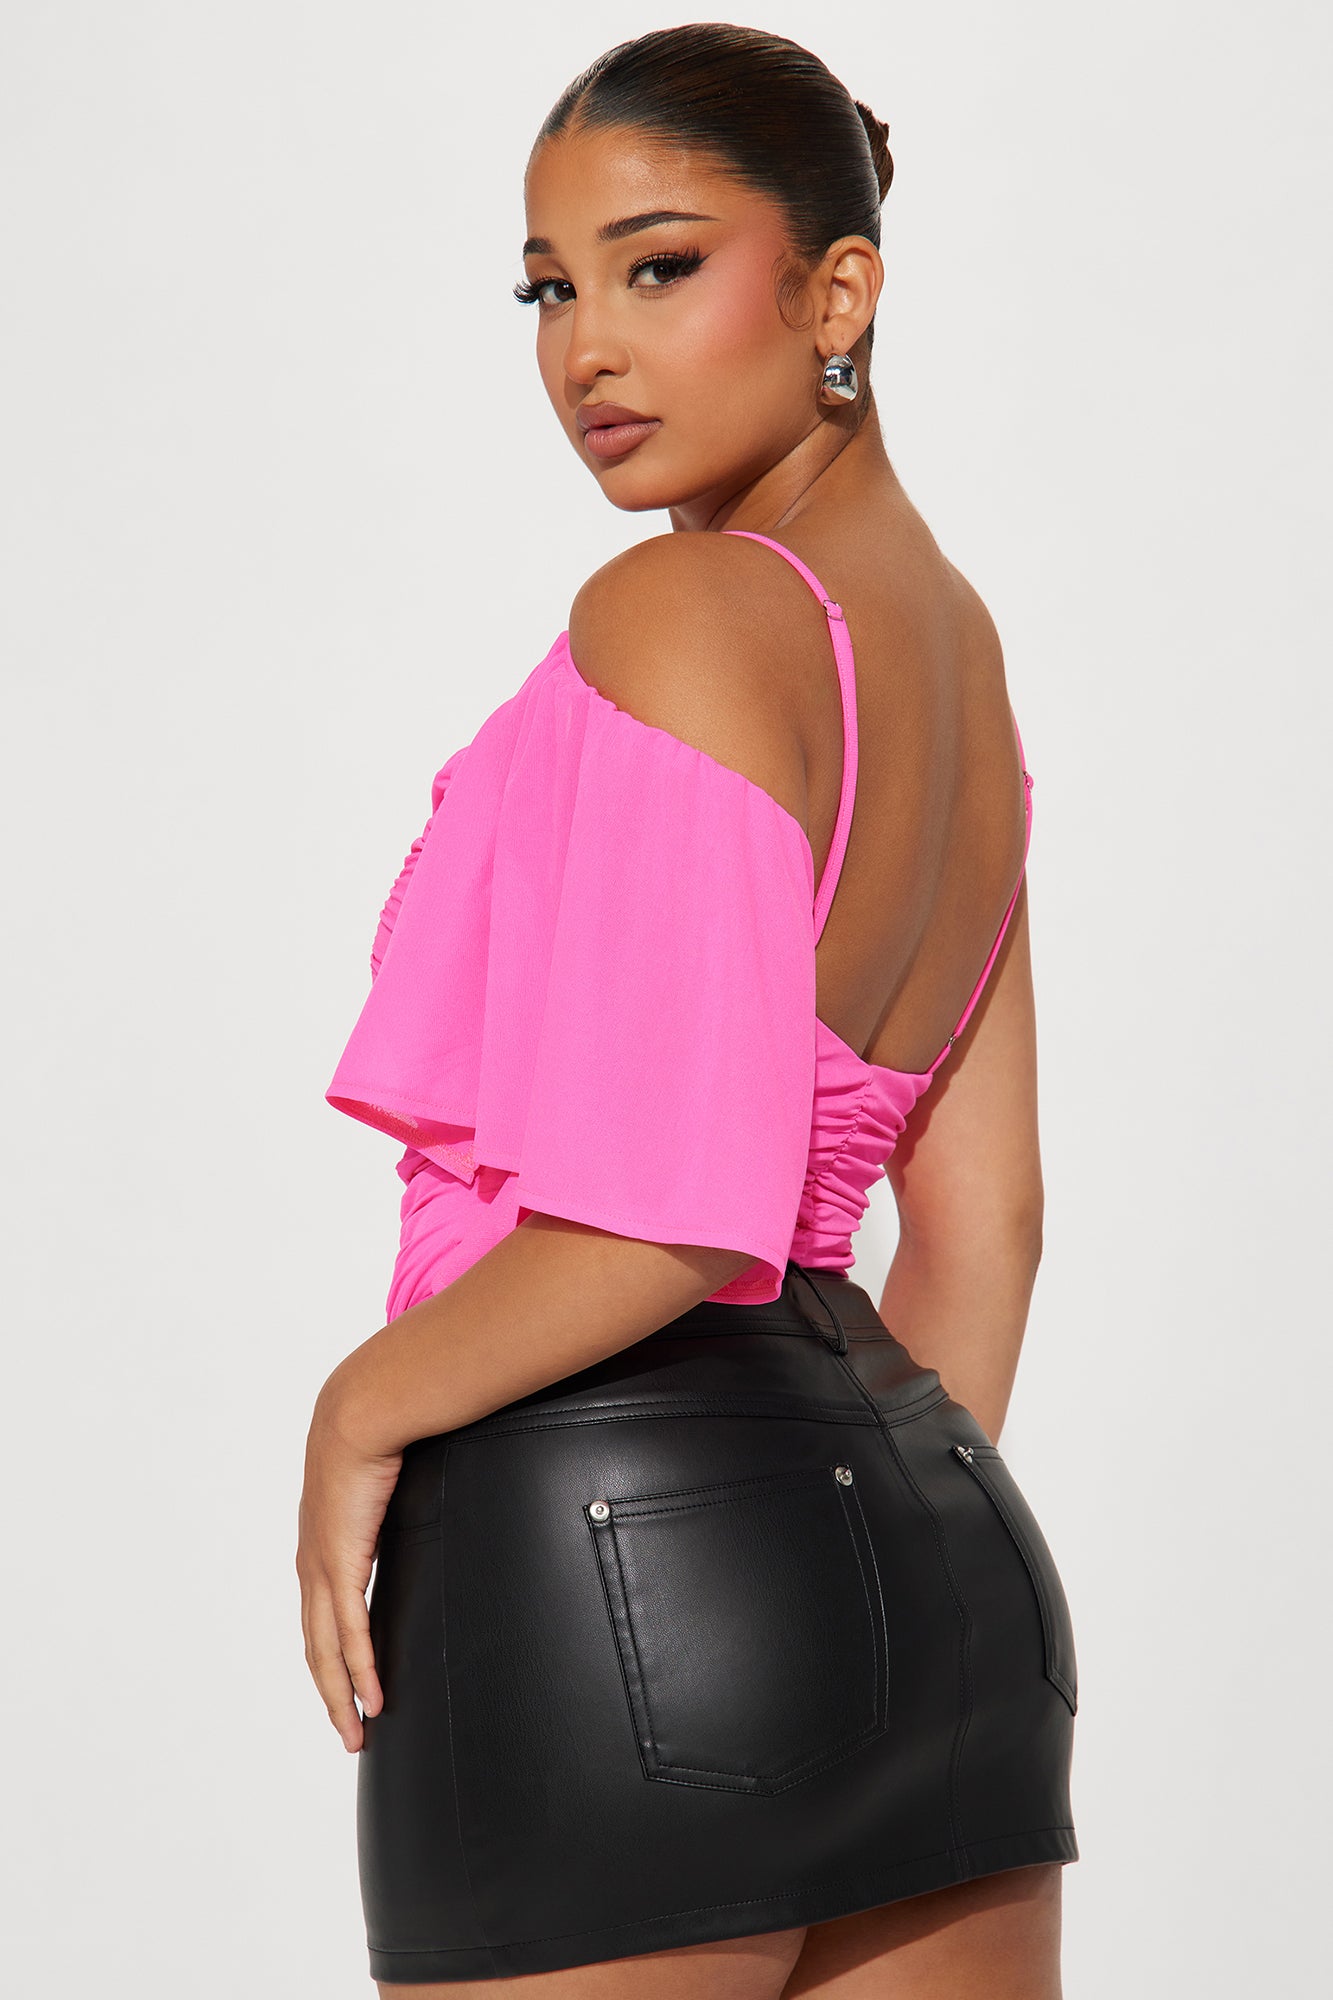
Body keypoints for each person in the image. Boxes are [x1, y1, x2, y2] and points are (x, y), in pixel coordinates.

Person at [297, 22, 1079, 1998]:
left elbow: (671, 1209)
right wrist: (839, 1563)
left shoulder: (685, 609)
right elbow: (986, 1225)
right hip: (941, 1575)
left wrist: (358, 1406)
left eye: (656, 268)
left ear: (837, 290)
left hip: (607, 1556)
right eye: (548, 291)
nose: (588, 350)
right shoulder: (956, 653)